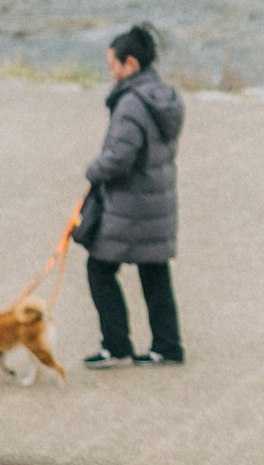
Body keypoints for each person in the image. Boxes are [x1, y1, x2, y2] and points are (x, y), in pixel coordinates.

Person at [74, 22, 187, 368]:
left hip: (130, 206)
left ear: (131, 64)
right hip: (157, 202)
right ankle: (167, 347)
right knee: (154, 273)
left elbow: (120, 157)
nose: (111, 72)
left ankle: (116, 344)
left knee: (99, 268)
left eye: (113, 66)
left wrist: (93, 170)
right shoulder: (164, 97)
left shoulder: (131, 104)